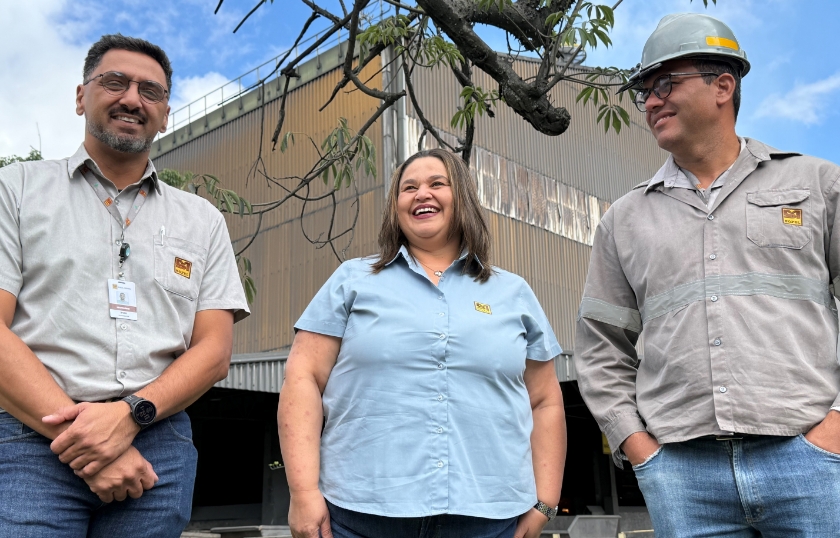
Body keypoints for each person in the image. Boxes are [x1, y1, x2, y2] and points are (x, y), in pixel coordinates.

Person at [574, 12, 840, 537]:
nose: (650, 102)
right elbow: (600, 347)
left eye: (665, 84)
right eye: (645, 92)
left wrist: (836, 428)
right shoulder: (623, 221)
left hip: (811, 462)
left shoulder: (816, 185)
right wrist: (640, 449)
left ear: (723, 86)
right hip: (682, 476)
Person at [0, 34, 249, 536]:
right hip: (33, 436)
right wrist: (89, 440)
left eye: (150, 91)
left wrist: (130, 417)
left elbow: (214, 351)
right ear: (81, 96)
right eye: (115, 82)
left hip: (158, 444)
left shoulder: (202, 220)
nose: (132, 99)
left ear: (165, 113)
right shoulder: (16, 190)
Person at [279, 148, 566, 538]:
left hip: (490, 521)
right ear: (395, 206)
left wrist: (545, 501)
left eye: (437, 183)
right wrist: (302, 492)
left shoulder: (514, 293)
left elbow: (545, 400)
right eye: (409, 187)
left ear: (461, 197)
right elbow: (303, 379)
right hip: (360, 517)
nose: (421, 194)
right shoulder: (351, 281)